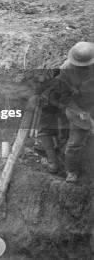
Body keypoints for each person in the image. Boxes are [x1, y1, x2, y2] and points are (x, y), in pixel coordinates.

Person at [56, 42, 94, 183]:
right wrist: (81, 113)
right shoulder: (66, 69)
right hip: (78, 108)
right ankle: (71, 170)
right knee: (75, 144)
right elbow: (65, 97)